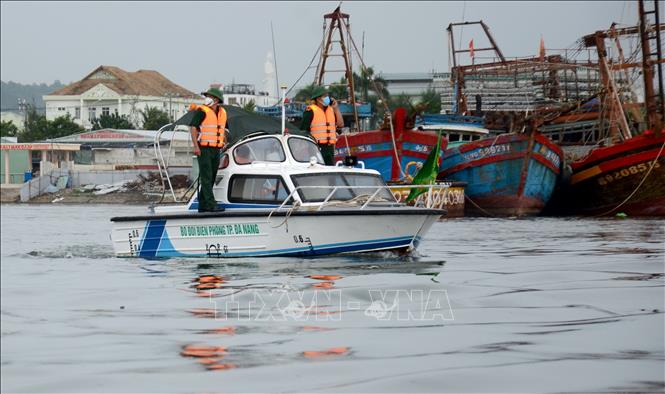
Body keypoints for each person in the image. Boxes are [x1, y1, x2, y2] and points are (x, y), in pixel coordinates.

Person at [189, 87, 228, 212]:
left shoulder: (222, 112)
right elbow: (193, 127)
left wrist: (224, 141)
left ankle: (203, 204)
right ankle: (211, 204)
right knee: (206, 176)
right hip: (204, 148)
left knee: (211, 177)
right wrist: (196, 146)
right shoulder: (202, 111)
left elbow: (223, 129)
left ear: (216, 100)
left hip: (216, 149)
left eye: (209, 96)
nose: (207, 98)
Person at [300, 86, 343, 165]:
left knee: (329, 172)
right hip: (316, 148)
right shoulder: (310, 111)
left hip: (330, 148)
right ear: (318, 99)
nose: (328, 98)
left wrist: (336, 108)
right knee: (318, 170)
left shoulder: (331, 109)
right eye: (325, 96)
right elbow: (303, 130)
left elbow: (340, 124)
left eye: (327, 95)